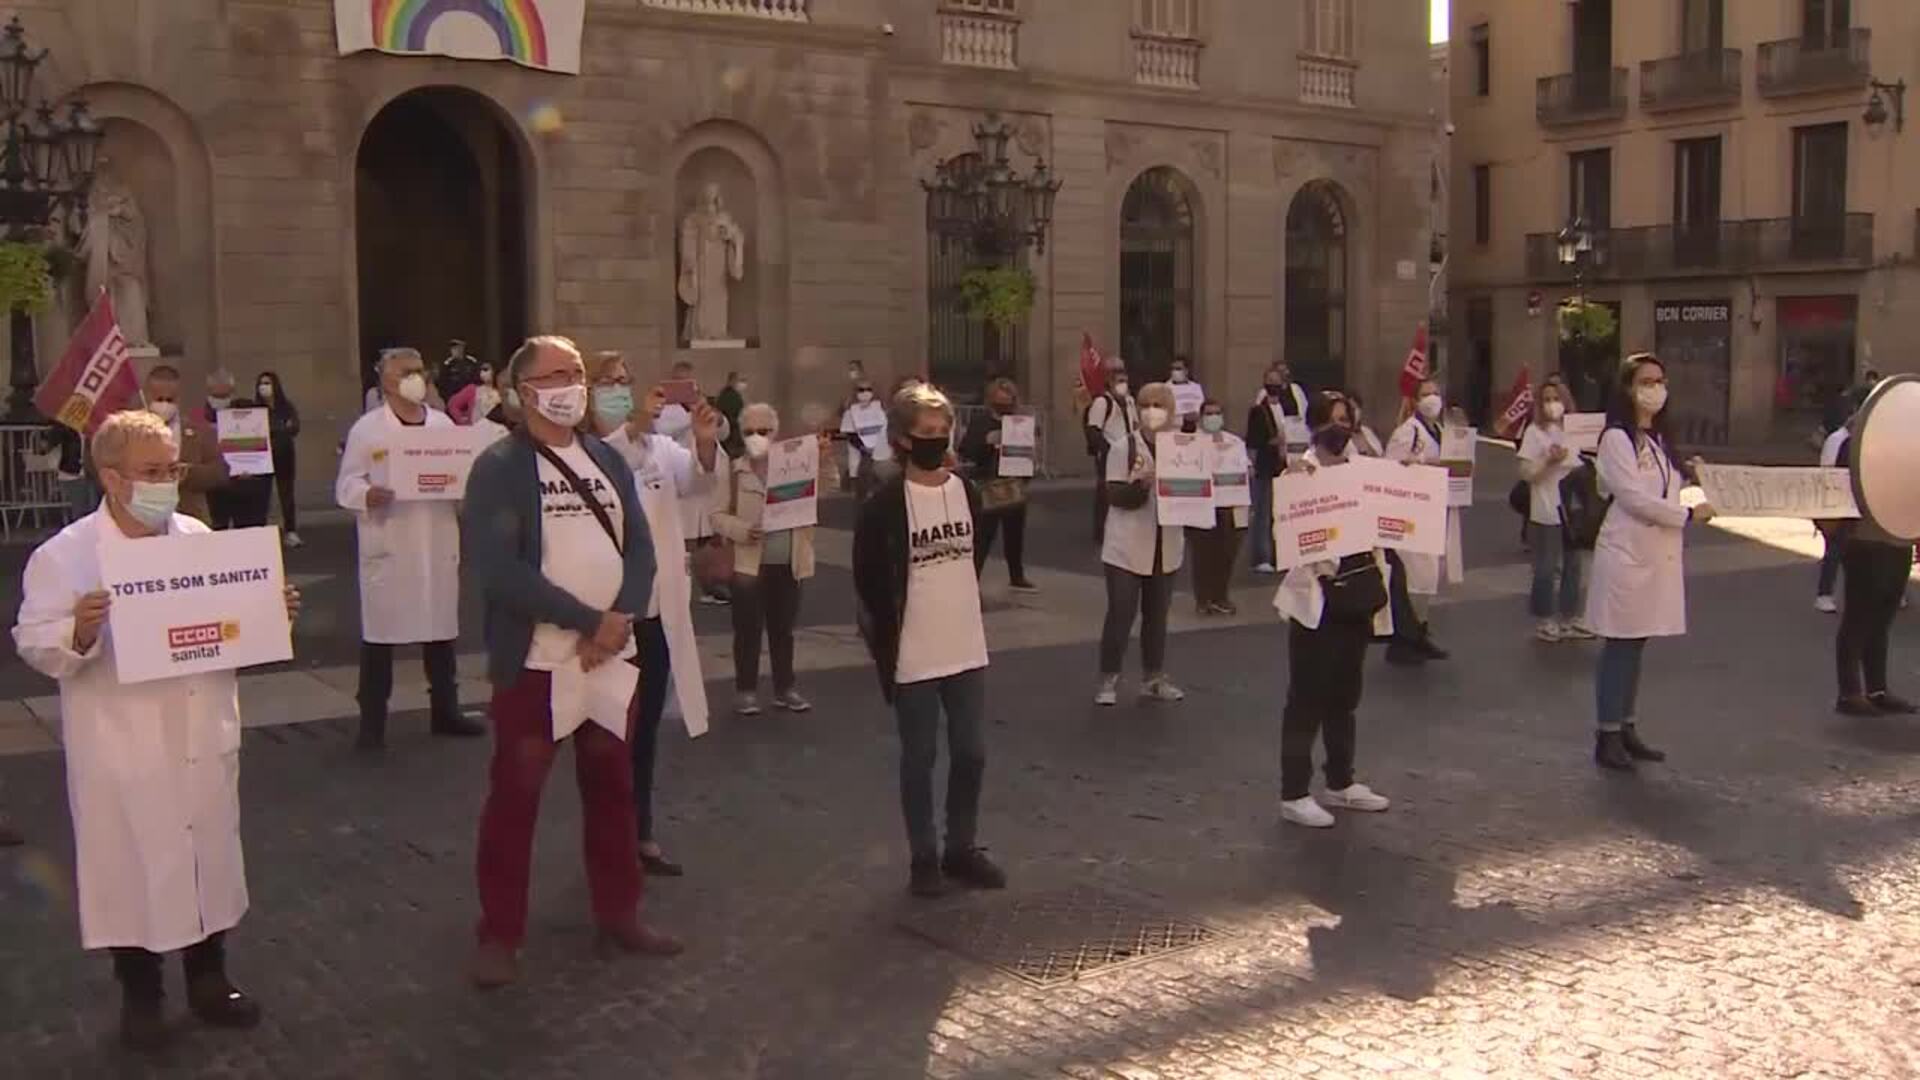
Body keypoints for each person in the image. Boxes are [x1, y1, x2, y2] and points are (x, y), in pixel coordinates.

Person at [13, 409, 300, 1050]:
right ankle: (141, 996)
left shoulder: (199, 537)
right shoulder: (64, 556)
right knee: (130, 870)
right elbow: (34, 641)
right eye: (152, 471)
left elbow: (231, 626)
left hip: (201, 729)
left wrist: (269, 612)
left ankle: (210, 978)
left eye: (172, 469)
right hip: (124, 742)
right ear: (111, 477)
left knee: (207, 861)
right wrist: (79, 630)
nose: (166, 482)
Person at [461, 335, 682, 989]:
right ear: (524, 391)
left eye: (577, 372)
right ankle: (499, 933)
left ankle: (620, 911)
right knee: (515, 798)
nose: (572, 385)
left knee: (614, 788)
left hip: (609, 659)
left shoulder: (605, 459)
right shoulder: (500, 467)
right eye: (557, 375)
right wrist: (589, 621)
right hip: (537, 662)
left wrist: (619, 618)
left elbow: (640, 548)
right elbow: (500, 571)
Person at [853, 383, 1007, 898]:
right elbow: (870, 579)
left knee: (972, 752)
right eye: (926, 432)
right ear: (902, 439)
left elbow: (974, 554)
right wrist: (889, 637)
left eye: (942, 432)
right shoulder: (883, 506)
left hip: (965, 643)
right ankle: (923, 857)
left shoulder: (967, 493)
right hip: (914, 652)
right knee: (919, 757)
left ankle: (960, 847)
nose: (935, 441)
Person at [589, 351, 722, 875]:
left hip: (655, 613)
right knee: (606, 734)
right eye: (609, 383)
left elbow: (698, 481)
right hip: (607, 615)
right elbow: (610, 466)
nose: (620, 389)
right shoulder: (587, 451)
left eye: (625, 380)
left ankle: (640, 831)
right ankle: (608, 837)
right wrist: (635, 426)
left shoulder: (661, 447)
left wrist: (704, 440)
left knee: (643, 730)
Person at [336, 348, 483, 749]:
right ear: (385, 379)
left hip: (435, 538)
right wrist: (367, 495)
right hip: (390, 541)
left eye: (419, 370)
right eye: (405, 372)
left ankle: (446, 710)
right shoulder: (367, 429)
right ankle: (372, 722)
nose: (415, 378)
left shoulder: (442, 425)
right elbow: (347, 483)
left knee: (440, 629)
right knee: (381, 635)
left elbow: (461, 473)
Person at [1586, 353, 1716, 770]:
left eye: (1660, 380)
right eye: (1646, 381)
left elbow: (1666, 487)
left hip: (1654, 553)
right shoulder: (1616, 439)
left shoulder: (1658, 440)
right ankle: (1607, 733)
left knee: (1637, 644)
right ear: (1628, 388)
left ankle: (1626, 725)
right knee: (1620, 645)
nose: (1655, 389)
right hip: (1626, 553)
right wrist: (1686, 515)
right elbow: (1633, 497)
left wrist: (1695, 476)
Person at [1272, 392, 1394, 828]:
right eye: (1333, 420)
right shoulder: (1299, 474)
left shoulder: (1363, 471)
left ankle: (1341, 781)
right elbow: (1287, 538)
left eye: (1347, 420)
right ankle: (1294, 792)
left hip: (1356, 594)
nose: (1340, 428)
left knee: (1345, 694)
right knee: (1307, 697)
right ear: (1315, 426)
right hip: (1317, 600)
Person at [712, 402, 820, 716]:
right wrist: (743, 530)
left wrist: (823, 461)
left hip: (788, 560)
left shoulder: (796, 466)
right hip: (748, 564)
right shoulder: (733, 472)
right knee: (747, 630)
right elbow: (716, 515)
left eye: (764, 430)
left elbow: (825, 486)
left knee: (783, 630)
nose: (757, 437)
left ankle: (785, 688)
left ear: (775, 432)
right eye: (749, 432)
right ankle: (745, 691)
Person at [1096, 381, 1187, 706]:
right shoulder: (1124, 447)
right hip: (1126, 544)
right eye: (1147, 405)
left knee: (1157, 615)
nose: (1152, 412)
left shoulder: (1183, 449)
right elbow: (1114, 494)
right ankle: (1109, 678)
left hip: (1167, 542)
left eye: (1159, 406)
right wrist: (1142, 486)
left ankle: (1153, 678)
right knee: (1121, 613)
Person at [1828, 403, 1917, 717]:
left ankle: (1877, 689)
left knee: (1882, 618)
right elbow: (1842, 485)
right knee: (1859, 617)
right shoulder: (1856, 441)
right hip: (1864, 540)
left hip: (1899, 538)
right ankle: (1849, 692)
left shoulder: (1909, 443)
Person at [1383, 377, 1456, 664]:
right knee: (1415, 577)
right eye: (1426, 394)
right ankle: (1405, 639)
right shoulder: (1407, 432)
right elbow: (1392, 471)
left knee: (1429, 576)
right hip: (1410, 514)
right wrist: (1422, 466)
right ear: (1415, 400)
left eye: (1436, 393)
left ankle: (1419, 631)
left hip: (1435, 510)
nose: (1432, 399)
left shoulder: (1442, 430)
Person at [1518, 375, 1590, 642]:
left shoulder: (1576, 430)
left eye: (1556, 399)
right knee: (1546, 567)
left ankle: (1570, 616)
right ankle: (1545, 618)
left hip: (1573, 509)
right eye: (1547, 400)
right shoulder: (1534, 433)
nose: (1552, 404)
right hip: (1546, 508)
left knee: (1574, 564)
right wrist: (1548, 461)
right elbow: (1525, 472)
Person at [956, 377, 1036, 592]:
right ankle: (972, 578)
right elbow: (966, 449)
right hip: (989, 482)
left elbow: (1027, 451)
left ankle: (1017, 576)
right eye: (1000, 400)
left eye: (1009, 400)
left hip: (1014, 482)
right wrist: (987, 441)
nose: (1005, 405)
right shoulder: (981, 421)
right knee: (984, 534)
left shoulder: (1019, 422)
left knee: (1015, 533)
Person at [138, 364, 226, 525]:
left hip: (191, 518)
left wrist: (187, 472)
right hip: (144, 520)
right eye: (159, 399)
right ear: (147, 395)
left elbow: (220, 471)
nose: (164, 404)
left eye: (169, 399)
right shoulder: (131, 431)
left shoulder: (199, 429)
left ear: (178, 397)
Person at [1246, 362, 1309, 572]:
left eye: (1277, 382)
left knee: (1280, 513)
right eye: (1270, 382)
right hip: (1265, 465)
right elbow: (1252, 441)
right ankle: (1261, 556)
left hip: (1283, 465)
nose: (1273, 386)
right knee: (1263, 513)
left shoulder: (1286, 409)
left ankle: (1279, 554)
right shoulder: (1258, 411)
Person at [1189, 398, 1249, 615]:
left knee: (1226, 554)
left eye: (1217, 413)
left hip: (1229, 506)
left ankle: (1220, 596)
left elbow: (1246, 467)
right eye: (1209, 413)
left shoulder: (1234, 442)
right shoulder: (1191, 442)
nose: (1213, 417)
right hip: (1203, 507)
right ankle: (1203, 599)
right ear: (1201, 417)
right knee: (1203, 555)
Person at [202, 370, 270, 530]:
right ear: (209, 393)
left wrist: (252, 466)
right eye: (217, 396)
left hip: (245, 483)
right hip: (217, 483)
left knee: (247, 527)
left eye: (225, 396)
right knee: (219, 528)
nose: (220, 400)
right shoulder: (198, 415)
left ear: (233, 392)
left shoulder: (247, 409)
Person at [1084, 357, 1137, 543]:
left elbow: (1134, 424)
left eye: (1125, 380)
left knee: (1126, 489)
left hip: (1128, 451)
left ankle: (1123, 529)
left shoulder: (1130, 401)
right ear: (1110, 382)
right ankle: (1102, 532)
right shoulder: (1102, 402)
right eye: (1119, 380)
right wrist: (1106, 450)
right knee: (1106, 492)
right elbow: (1093, 430)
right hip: (1110, 453)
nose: (1123, 384)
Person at [253, 371, 303, 548]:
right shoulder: (256, 409)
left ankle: (290, 530)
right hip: (262, 457)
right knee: (262, 494)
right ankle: (261, 531)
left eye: (267, 383)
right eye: (261, 383)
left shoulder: (286, 406)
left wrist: (276, 429)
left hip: (285, 454)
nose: (264, 387)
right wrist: (280, 428)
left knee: (286, 494)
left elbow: (294, 427)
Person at [839, 378, 891, 502]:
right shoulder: (850, 412)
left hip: (879, 450)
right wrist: (864, 448)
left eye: (868, 389)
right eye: (861, 390)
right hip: (861, 451)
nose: (865, 393)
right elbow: (850, 434)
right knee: (862, 473)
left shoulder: (879, 410)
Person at [436, 338, 483, 405]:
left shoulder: (472, 362)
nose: (454, 350)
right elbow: (442, 383)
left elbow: (478, 380)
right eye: (452, 348)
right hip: (453, 397)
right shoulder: (447, 364)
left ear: (462, 348)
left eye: (457, 348)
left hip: (470, 397)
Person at [1168, 356, 1205, 432]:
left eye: (1178, 369)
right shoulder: (1165, 388)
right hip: (1174, 428)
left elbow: (1201, 407)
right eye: (1173, 369)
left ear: (1186, 371)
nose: (1175, 371)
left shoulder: (1196, 387)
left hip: (1196, 427)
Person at [1347, 390, 1386, 458]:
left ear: (1360, 411)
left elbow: (1381, 457)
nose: (1351, 414)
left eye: (1353, 409)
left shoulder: (1367, 431)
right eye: (1348, 410)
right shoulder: (1338, 436)